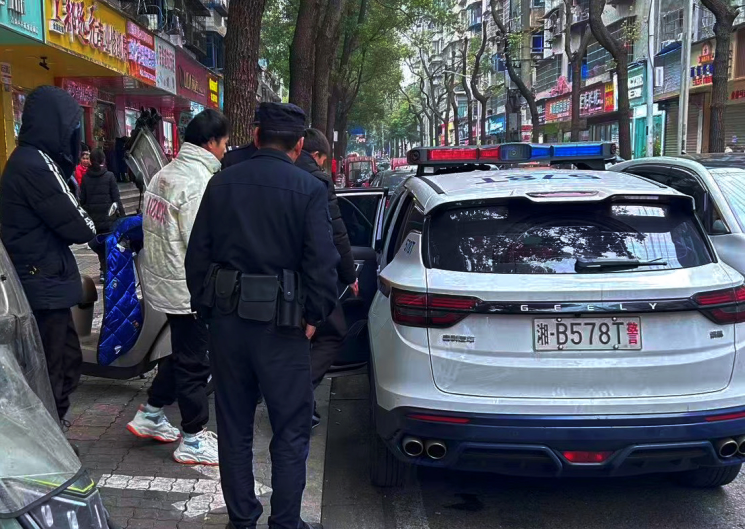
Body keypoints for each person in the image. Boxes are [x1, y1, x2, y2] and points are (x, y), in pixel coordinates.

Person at [185, 102, 338, 529]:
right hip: (284, 328)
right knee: (290, 428)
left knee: (234, 427)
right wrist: (314, 316)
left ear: (255, 136)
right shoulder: (308, 188)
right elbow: (322, 264)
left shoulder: (221, 183)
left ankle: (242, 520)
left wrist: (206, 310)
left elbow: (197, 256)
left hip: (227, 324)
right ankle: (285, 522)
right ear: (299, 145)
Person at [126, 109, 229, 466]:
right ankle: (193, 438)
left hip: (165, 283)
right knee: (194, 363)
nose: (225, 150)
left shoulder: (163, 174)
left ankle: (152, 412)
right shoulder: (198, 182)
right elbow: (202, 242)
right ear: (211, 142)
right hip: (189, 289)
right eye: (224, 143)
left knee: (181, 351)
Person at [0, 86, 96, 423]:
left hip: (43, 280)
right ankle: (51, 436)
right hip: (41, 283)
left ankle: (55, 426)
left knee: (64, 363)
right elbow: (80, 225)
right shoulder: (36, 164)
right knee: (52, 368)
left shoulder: (29, 160)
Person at [295, 128, 358, 428]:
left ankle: (295, 397)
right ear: (317, 155)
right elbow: (336, 232)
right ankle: (298, 396)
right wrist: (350, 273)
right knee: (333, 332)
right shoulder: (318, 181)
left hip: (276, 278)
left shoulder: (278, 173)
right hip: (314, 275)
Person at [80, 148, 125, 282]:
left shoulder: (86, 178)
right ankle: (108, 270)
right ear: (103, 160)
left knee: (99, 245)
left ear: (91, 161)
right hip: (109, 218)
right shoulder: (109, 176)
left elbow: (82, 200)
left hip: (94, 219)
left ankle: (103, 270)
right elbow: (116, 199)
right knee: (109, 244)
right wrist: (122, 217)